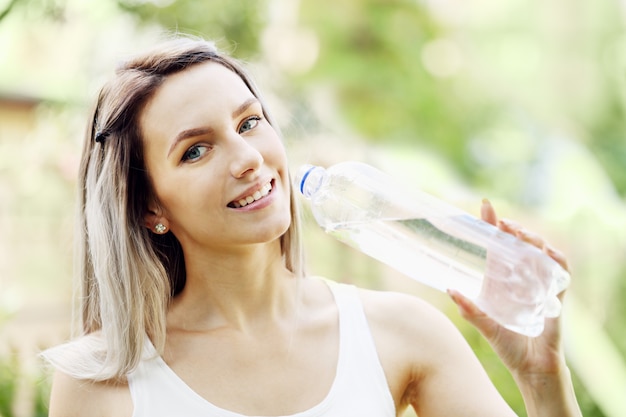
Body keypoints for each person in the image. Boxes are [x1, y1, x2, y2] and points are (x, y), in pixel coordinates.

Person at [43, 36, 583, 417]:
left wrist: (542, 381)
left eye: (249, 122)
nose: (248, 157)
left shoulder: (398, 332)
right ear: (148, 209)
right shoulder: (103, 384)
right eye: (196, 149)